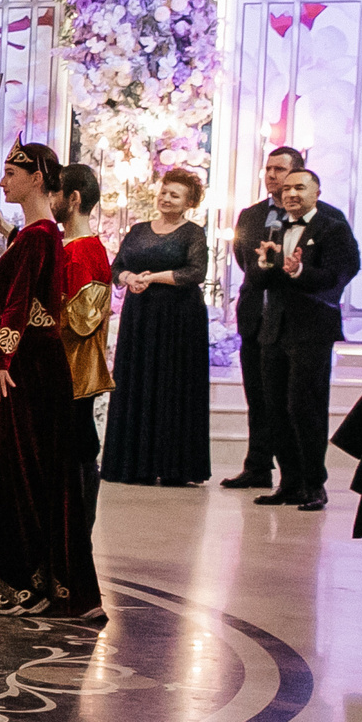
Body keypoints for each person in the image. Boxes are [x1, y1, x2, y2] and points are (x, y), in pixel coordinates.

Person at [0, 142, 98, 617]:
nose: (2, 183)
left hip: (21, 365)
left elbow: (18, 304)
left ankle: (20, 582)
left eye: (10, 173)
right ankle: (32, 577)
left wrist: (0, 360)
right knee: (28, 468)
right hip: (33, 360)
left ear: (37, 177)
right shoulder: (39, 234)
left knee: (15, 469)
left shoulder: (40, 236)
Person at [250, 167, 359, 511]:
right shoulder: (275, 227)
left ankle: (314, 484)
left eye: (300, 187)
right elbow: (256, 278)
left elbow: (341, 272)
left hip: (311, 330)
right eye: (286, 189)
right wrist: (266, 267)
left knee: (306, 407)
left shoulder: (332, 227)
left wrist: (298, 271)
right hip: (274, 328)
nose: (291, 194)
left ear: (317, 192)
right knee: (275, 408)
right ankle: (289, 482)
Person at [101, 168, 213, 487]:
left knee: (172, 385)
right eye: (164, 191)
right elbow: (117, 267)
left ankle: (175, 465)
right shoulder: (137, 230)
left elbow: (194, 272)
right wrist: (129, 278)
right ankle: (134, 465)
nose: (166, 198)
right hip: (140, 316)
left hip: (180, 319)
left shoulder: (193, 233)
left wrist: (150, 278)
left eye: (174, 194)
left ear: (189, 202)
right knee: (137, 381)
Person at [223, 146, 306, 489]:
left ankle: (297, 475)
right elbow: (244, 258)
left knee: (288, 401)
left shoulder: (309, 215)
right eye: (268, 168)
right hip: (256, 315)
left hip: (292, 320)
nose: (272, 175)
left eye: (280, 169)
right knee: (257, 397)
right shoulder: (251, 214)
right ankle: (257, 466)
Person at [56, 164, 115, 553]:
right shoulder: (77, 249)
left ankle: (74, 540)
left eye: (54, 193)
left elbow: (79, 320)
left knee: (77, 451)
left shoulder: (82, 253)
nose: (48, 201)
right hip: (70, 370)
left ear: (73, 199)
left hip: (73, 370)